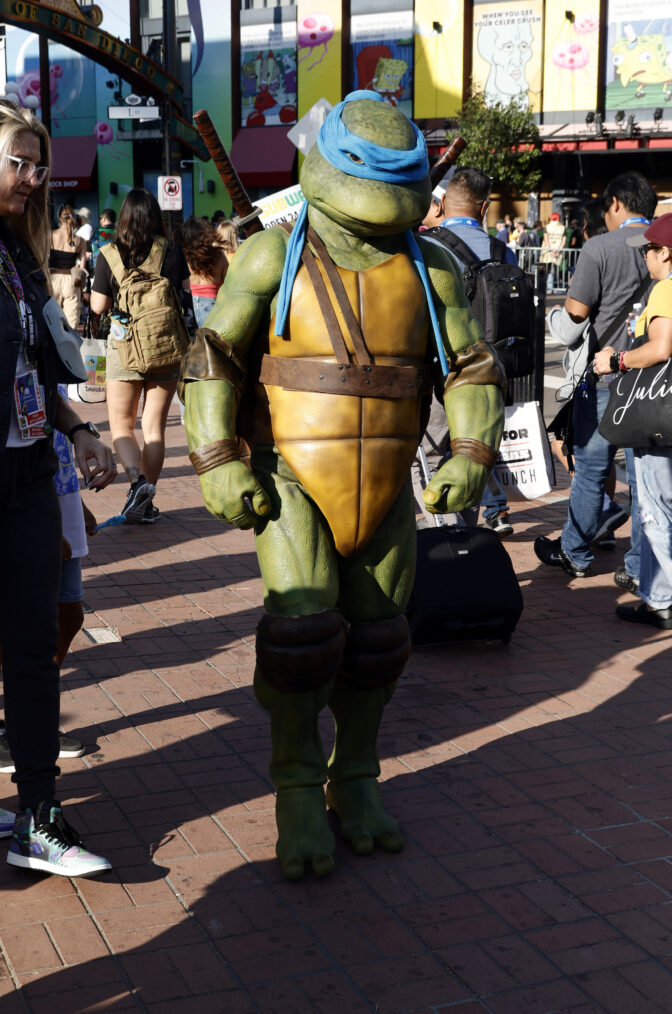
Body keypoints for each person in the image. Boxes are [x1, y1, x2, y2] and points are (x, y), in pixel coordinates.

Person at [0, 98, 116, 876]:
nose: (34, 176)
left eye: (39, 164)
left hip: (30, 472)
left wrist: (79, 433)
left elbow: (37, 362)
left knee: (34, 648)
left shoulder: (16, 251)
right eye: (18, 160)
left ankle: (38, 814)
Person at [535, 171, 656, 579]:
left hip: (603, 377)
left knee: (590, 470)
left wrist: (550, 315)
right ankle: (642, 566)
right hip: (652, 380)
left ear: (617, 203)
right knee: (644, 479)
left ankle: (575, 552)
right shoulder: (663, 248)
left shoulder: (599, 248)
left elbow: (572, 321)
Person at [422, 166, 518, 537]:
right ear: (484, 206)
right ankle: (464, 529)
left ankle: (439, 529)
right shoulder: (503, 251)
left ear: (443, 203)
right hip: (488, 375)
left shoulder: (429, 247)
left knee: (429, 455)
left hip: (438, 369)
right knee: (473, 453)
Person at [90, 189, 190, 523]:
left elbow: (98, 306)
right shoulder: (170, 250)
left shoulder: (109, 253)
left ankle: (137, 484)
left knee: (120, 424)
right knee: (154, 429)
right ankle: (146, 502)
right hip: (165, 348)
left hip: (124, 348)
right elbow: (186, 292)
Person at [593, 213, 672, 629]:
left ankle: (661, 598)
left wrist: (616, 360)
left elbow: (659, 350)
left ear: (665, 252)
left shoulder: (665, 290)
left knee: (657, 508)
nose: (644, 258)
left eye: (647, 250)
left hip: (660, 415)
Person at [177, 216, 228, 328]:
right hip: (213, 309)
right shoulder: (219, 257)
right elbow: (228, 286)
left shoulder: (184, 258)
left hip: (188, 309)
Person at [49, 204, 87, 330]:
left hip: (52, 280)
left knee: (51, 321)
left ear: (59, 218)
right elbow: (82, 268)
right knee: (71, 326)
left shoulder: (50, 236)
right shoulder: (80, 241)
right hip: (71, 282)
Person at [540, 211, 568, 292]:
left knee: (548, 269)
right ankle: (552, 288)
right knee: (554, 269)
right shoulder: (563, 227)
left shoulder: (547, 227)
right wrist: (558, 251)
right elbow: (564, 241)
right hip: (557, 251)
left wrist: (550, 250)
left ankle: (549, 288)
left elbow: (546, 239)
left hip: (548, 251)